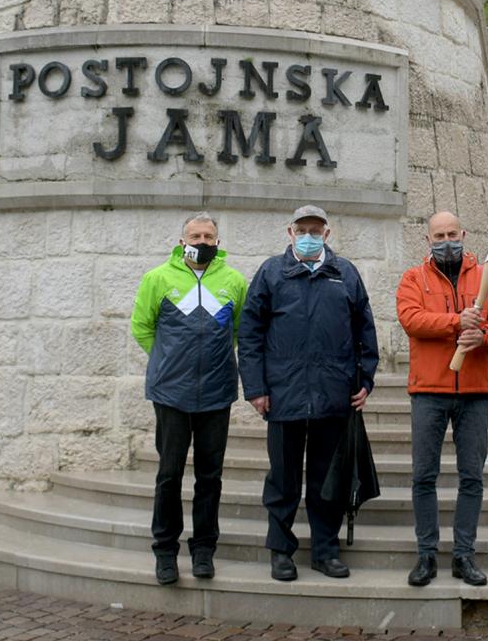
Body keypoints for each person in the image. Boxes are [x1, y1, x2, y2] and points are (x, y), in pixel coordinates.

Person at [237, 205, 379, 582]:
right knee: (282, 481)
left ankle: (325, 551)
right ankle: (281, 552)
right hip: (283, 396)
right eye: (303, 229)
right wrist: (255, 388)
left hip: (334, 398)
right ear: (290, 232)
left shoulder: (345, 273)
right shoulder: (271, 273)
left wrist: (365, 382)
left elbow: (365, 332)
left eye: (316, 229)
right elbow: (250, 333)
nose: (309, 235)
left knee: (325, 482)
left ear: (327, 234)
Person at [395, 211, 488, 587]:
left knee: (471, 476)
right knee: (423, 476)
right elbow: (410, 319)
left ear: (463, 233)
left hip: (476, 391)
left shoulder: (486, 276)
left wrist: (485, 335)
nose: (447, 240)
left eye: (452, 233)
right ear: (427, 239)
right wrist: (456, 322)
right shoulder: (413, 278)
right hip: (429, 390)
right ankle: (426, 555)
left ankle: (464, 555)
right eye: (439, 235)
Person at [130, 211, 247, 585]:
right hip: (171, 394)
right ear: (182, 241)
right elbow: (141, 327)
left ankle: (203, 551)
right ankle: (165, 552)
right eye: (194, 235)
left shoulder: (233, 281)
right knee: (169, 475)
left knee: (210, 477)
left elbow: (239, 330)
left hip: (216, 393)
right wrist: (166, 362)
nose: (201, 241)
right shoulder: (158, 278)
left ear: (217, 242)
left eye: (208, 236)